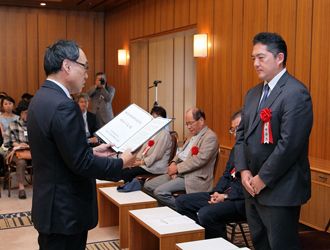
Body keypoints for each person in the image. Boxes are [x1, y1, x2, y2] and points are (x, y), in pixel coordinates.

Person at [27, 39, 136, 250]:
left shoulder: (40, 98)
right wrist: (120, 163)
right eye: (84, 67)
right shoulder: (64, 105)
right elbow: (81, 164)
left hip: (49, 205)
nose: (87, 74)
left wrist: (91, 150)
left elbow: (58, 151)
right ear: (67, 66)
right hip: (65, 210)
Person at [234, 32, 313, 250]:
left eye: (261, 57)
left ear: (279, 58)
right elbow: (241, 135)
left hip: (279, 189)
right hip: (251, 188)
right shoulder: (253, 94)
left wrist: (262, 179)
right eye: (253, 59)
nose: (256, 64)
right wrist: (243, 170)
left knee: (281, 246)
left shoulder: (296, 92)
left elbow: (290, 146)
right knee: (259, 244)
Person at [176, 109, 245, 239]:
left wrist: (225, 197)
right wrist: (217, 193)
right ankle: (203, 237)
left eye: (238, 129)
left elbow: (246, 186)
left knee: (205, 214)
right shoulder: (236, 149)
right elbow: (226, 175)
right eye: (233, 130)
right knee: (181, 202)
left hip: (239, 200)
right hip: (223, 194)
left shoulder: (256, 152)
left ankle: (220, 244)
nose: (235, 134)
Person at [144, 108, 219, 210]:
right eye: (186, 124)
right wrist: (173, 163)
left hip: (193, 177)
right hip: (180, 172)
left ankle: (185, 212)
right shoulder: (192, 135)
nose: (188, 127)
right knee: (148, 186)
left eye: (191, 123)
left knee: (160, 192)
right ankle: (166, 212)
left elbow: (200, 160)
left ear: (201, 121)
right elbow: (180, 154)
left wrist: (177, 168)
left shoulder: (210, 137)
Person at [121, 106, 172, 183]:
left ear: (164, 119)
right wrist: (137, 159)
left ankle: (129, 191)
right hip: (146, 164)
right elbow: (143, 148)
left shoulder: (164, 134)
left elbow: (157, 155)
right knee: (124, 169)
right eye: (153, 118)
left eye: (158, 118)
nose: (156, 120)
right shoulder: (152, 132)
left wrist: (140, 163)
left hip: (156, 166)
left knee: (128, 173)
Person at [4, 100, 31, 199]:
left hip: (31, 151)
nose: (26, 115)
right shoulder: (13, 124)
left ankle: (40, 185)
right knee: (21, 162)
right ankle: (21, 188)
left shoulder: (33, 124)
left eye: (29, 113)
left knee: (43, 159)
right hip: (17, 152)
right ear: (20, 112)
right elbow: (8, 141)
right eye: (24, 113)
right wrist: (19, 144)